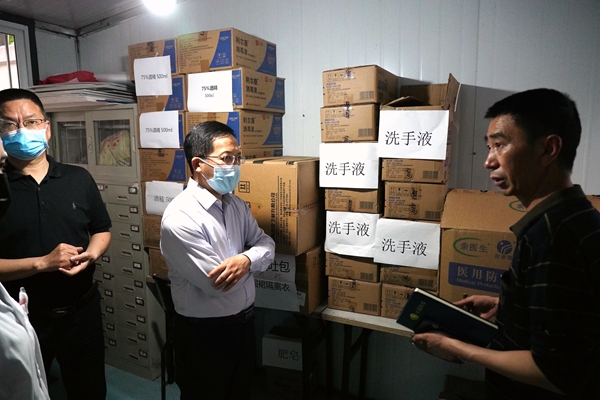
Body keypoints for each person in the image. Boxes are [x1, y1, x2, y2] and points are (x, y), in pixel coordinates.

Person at [411, 88, 600, 399]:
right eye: (489, 147)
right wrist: (508, 305)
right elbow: (577, 318)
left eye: (499, 145)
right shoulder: (579, 216)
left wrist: (456, 347)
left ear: (548, 149)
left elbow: (556, 372)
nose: (488, 161)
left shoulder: (551, 236)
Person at [0, 88, 111, 399]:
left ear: (46, 128)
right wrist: (42, 263)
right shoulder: (0, 188)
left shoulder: (78, 178)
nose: (22, 130)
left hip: (82, 312)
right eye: (10, 124)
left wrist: (92, 254)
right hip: (20, 317)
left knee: (89, 391)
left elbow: (102, 230)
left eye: (31, 122)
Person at [160, 121, 275, 400]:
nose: (235, 166)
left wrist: (246, 260)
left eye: (238, 157)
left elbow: (267, 244)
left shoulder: (235, 204)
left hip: (243, 326)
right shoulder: (180, 218)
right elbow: (219, 285)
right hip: (205, 336)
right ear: (198, 164)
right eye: (226, 158)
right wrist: (256, 260)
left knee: (240, 393)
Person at [0, 139, 50, 399]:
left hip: (78, 308)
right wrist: (42, 263)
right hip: (34, 308)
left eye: (1, 167)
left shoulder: (77, 178)